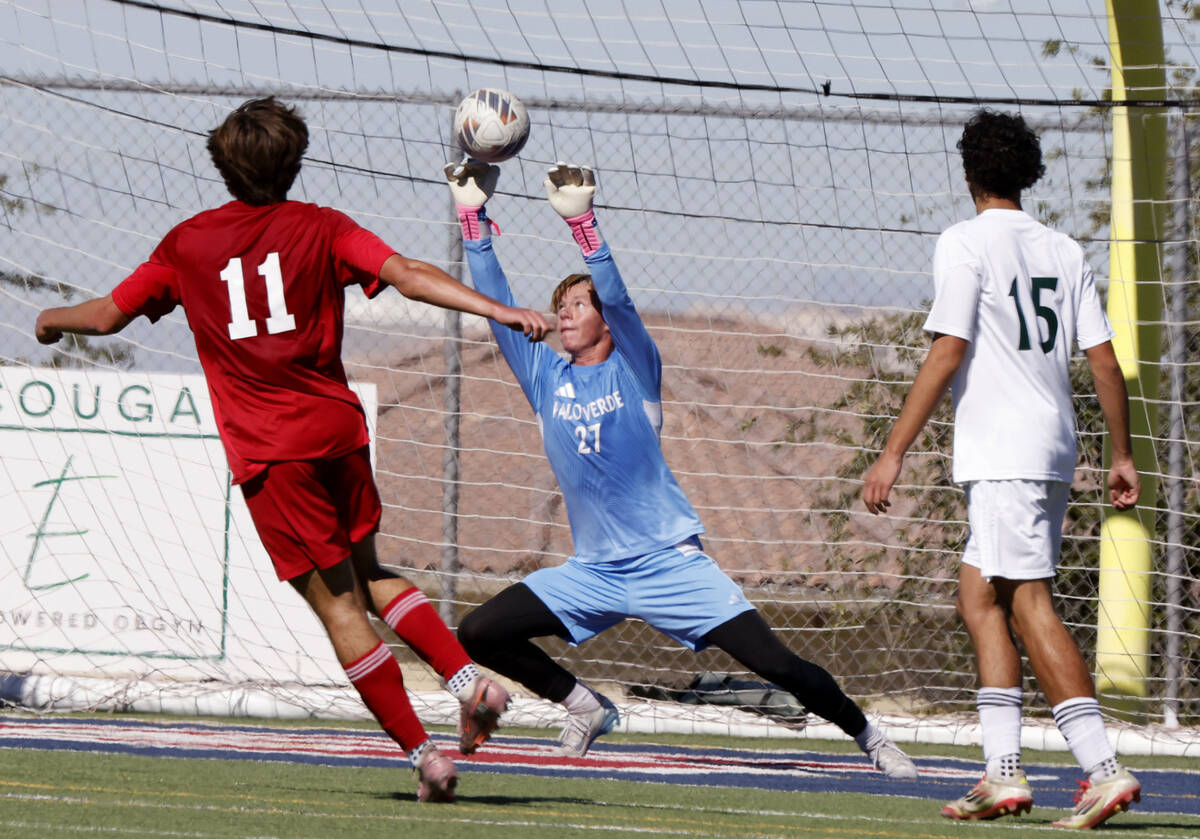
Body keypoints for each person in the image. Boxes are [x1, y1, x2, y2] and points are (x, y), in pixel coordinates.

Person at [33, 97, 550, 803]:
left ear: (220, 163)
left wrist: (48, 319)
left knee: (339, 610)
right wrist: (501, 310)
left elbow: (106, 315)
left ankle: (424, 756)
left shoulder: (187, 243)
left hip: (273, 453)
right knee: (369, 570)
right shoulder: (322, 226)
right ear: (295, 161)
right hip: (337, 431)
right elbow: (406, 272)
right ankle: (468, 681)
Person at [443, 158, 917, 779]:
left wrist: (584, 223)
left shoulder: (635, 368)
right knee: (479, 631)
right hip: (594, 572)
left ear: (605, 322)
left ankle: (868, 735)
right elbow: (496, 304)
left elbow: (620, 297)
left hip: (670, 564)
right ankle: (584, 706)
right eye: (560, 305)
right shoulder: (544, 376)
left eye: (578, 305)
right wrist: (472, 217)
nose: (564, 313)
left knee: (775, 664)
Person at [861, 109, 1142, 829]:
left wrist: (892, 450)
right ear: (1028, 174)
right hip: (1049, 447)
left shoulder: (964, 242)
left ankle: (1103, 768)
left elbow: (948, 347)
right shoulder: (1065, 248)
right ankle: (1002, 773)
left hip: (1005, 454)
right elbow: (1104, 360)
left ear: (967, 173)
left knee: (1026, 601)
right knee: (978, 596)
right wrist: (1121, 452)